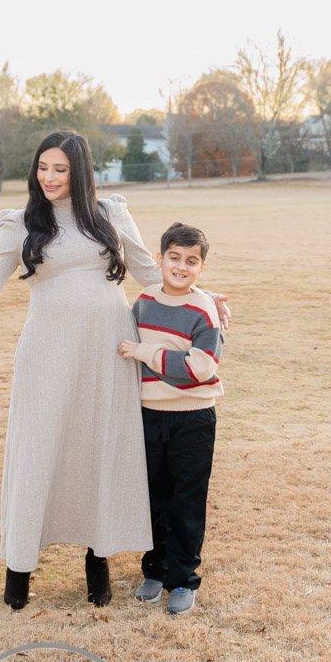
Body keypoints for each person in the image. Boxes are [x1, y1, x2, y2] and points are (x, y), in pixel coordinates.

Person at [0, 130, 228, 611]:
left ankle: (96, 560)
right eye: (43, 167)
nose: (49, 177)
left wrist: (206, 299)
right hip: (47, 356)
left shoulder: (109, 214)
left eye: (60, 169)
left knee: (97, 450)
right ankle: (19, 569)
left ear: (79, 173)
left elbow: (151, 271)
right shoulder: (20, 223)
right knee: (38, 452)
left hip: (109, 354)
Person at [118, 222, 222, 616]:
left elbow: (200, 367)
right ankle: (155, 571)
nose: (181, 267)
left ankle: (182, 580)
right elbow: (123, 345)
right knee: (154, 499)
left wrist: (146, 353)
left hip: (193, 418)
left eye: (191, 261)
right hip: (148, 415)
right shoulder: (144, 301)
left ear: (202, 268)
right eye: (174, 258)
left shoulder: (204, 309)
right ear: (160, 259)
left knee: (187, 502)